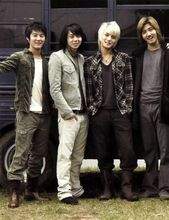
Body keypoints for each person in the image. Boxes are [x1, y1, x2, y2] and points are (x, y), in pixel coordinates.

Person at [0, 22, 53, 208]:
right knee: (21, 153)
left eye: (41, 35)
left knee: (38, 154)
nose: (38, 38)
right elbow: (3, 67)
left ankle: (31, 190)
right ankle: (14, 192)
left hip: (45, 114)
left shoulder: (48, 60)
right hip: (26, 113)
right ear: (28, 38)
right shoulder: (20, 57)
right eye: (35, 35)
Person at [85, 21, 138, 202]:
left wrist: (127, 108)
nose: (109, 39)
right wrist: (92, 109)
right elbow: (88, 89)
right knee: (102, 151)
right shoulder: (90, 62)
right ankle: (107, 189)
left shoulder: (124, 59)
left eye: (113, 37)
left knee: (127, 150)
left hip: (120, 112)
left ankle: (126, 189)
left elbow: (130, 86)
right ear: (101, 36)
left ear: (116, 40)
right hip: (99, 113)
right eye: (106, 35)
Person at [132, 16, 169, 200]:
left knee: (165, 149)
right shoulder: (138, 55)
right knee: (149, 149)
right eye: (144, 32)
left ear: (157, 30)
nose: (148, 34)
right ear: (141, 35)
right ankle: (150, 186)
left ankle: (166, 187)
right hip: (143, 106)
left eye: (151, 29)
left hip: (163, 106)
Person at [48, 23, 88, 205]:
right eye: (72, 36)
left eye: (78, 36)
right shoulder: (57, 58)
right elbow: (55, 90)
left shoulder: (81, 58)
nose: (75, 39)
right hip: (68, 115)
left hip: (83, 114)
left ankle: (76, 188)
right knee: (65, 154)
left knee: (78, 156)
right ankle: (64, 191)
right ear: (65, 38)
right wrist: (66, 112)